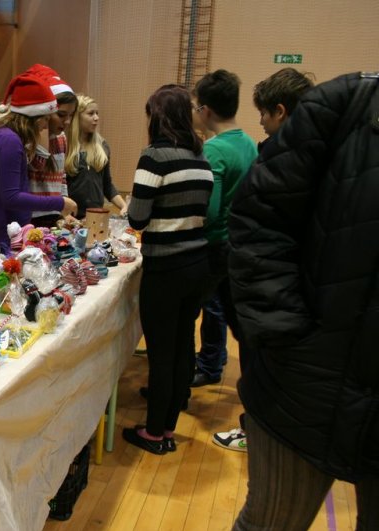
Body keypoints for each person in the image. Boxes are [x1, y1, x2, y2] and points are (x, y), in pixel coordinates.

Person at [228, 72, 379, 531]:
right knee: (271, 522)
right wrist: (285, 338)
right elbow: (257, 220)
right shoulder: (349, 105)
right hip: (304, 386)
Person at [212, 67, 315, 453]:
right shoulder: (310, 155)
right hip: (285, 287)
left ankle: (257, 430)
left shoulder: (284, 158)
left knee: (262, 367)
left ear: (281, 111)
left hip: (270, 286)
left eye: (265, 113)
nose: (260, 120)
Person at [122, 84, 212, 455]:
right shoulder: (200, 158)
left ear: (157, 117)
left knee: (160, 352)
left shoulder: (155, 157)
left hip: (166, 268)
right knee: (181, 347)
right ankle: (169, 427)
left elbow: (137, 219)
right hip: (198, 265)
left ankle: (154, 433)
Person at [190, 69, 257, 388]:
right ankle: (214, 362)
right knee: (222, 309)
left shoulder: (214, 150)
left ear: (206, 110)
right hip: (239, 241)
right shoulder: (248, 144)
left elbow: (210, 210)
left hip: (215, 244)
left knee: (208, 307)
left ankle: (207, 364)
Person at [0, 73, 77, 254]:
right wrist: (59, 202)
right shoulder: (11, 141)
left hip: (4, 233)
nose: (45, 126)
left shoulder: (3, 135)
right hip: (5, 238)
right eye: (46, 119)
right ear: (34, 117)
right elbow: (11, 197)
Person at [25, 64, 78, 228]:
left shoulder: (61, 138)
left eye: (71, 115)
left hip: (50, 212)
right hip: (30, 215)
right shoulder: (29, 136)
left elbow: (61, 178)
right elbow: (37, 164)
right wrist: (45, 130)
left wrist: (65, 211)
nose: (67, 122)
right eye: (61, 115)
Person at [65, 94, 127, 219]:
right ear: (77, 117)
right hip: (70, 217)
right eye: (91, 113)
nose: (96, 118)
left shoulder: (102, 146)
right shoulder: (65, 145)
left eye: (97, 113)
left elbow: (107, 185)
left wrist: (124, 206)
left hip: (96, 216)